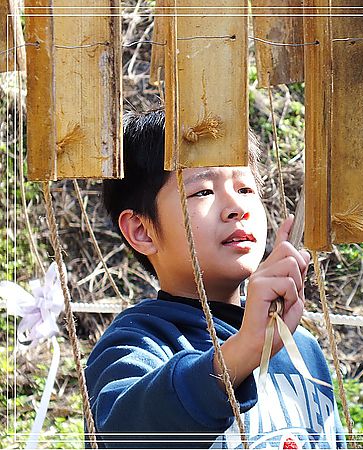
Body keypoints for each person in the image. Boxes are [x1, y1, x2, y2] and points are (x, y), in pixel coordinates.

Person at [85, 109, 346, 449]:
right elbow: (130, 432)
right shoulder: (135, 345)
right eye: (204, 192)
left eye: (246, 188)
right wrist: (246, 349)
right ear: (142, 230)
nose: (237, 207)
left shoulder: (302, 348)